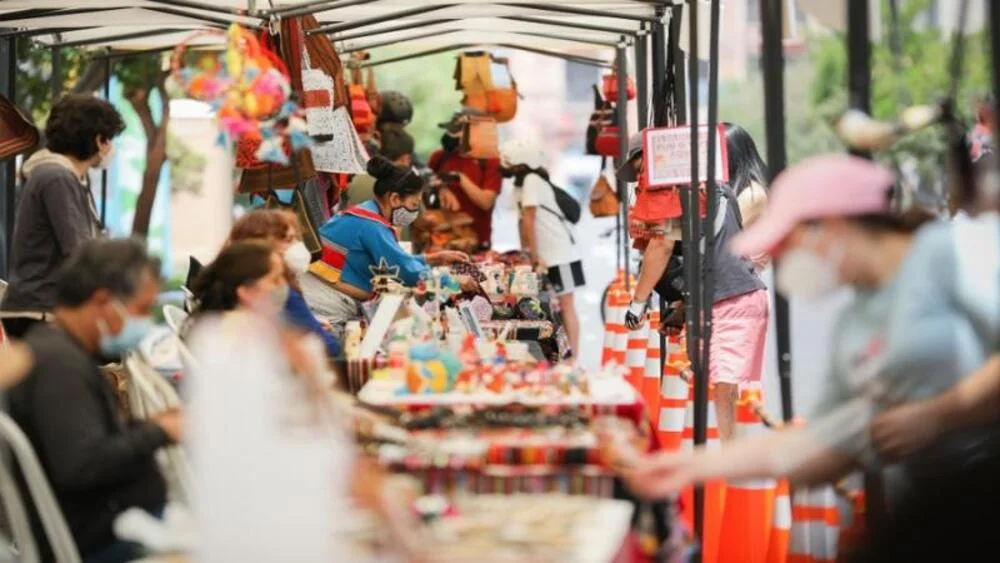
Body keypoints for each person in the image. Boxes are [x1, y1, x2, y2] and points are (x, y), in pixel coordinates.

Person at [608, 155, 970, 509]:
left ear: (832, 225)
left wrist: (941, 413)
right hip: (924, 505)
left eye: (787, 245)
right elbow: (826, 442)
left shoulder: (951, 258)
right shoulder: (856, 323)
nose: (783, 260)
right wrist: (690, 467)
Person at [7, 238, 180, 563]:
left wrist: (151, 426)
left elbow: (85, 442)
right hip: (100, 543)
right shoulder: (59, 366)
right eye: (141, 309)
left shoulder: (58, 350)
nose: (143, 322)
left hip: (110, 529)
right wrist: (159, 432)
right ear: (103, 301)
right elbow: (83, 465)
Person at [620, 124, 771, 439]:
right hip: (727, 299)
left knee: (727, 393)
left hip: (731, 300)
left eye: (641, 171)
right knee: (728, 392)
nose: (640, 183)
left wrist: (638, 303)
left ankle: (733, 472)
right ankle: (732, 465)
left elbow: (662, 247)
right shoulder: (709, 189)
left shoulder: (687, 193)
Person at [1, 94, 125, 339]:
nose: (110, 147)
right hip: (39, 312)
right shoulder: (56, 177)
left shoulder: (66, 176)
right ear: (98, 140)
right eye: (108, 139)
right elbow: (78, 249)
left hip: (44, 309)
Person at [311, 156, 474, 340]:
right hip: (326, 303)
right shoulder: (372, 225)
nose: (414, 212)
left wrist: (434, 258)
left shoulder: (366, 213)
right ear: (395, 198)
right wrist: (451, 281)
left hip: (321, 294)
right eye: (413, 204)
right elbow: (404, 271)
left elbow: (395, 260)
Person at [499, 139, 585, 359]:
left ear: (521, 161)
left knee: (566, 307)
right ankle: (561, 356)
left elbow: (529, 220)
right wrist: (526, 256)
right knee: (552, 309)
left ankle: (573, 358)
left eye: (508, 161)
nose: (504, 165)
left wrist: (533, 256)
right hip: (545, 257)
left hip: (560, 254)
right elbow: (521, 222)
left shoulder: (531, 180)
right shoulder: (520, 185)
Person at [224, 209, 341, 358]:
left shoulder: (230, 283)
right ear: (265, 245)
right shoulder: (279, 291)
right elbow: (329, 347)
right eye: (289, 240)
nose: (297, 245)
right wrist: (318, 329)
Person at [428, 108, 503, 248]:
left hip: (477, 241)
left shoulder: (490, 161)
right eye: (451, 130)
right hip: (443, 241)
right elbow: (425, 184)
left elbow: (486, 202)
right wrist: (441, 187)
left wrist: (460, 179)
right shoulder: (439, 157)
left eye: (458, 131)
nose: (451, 135)